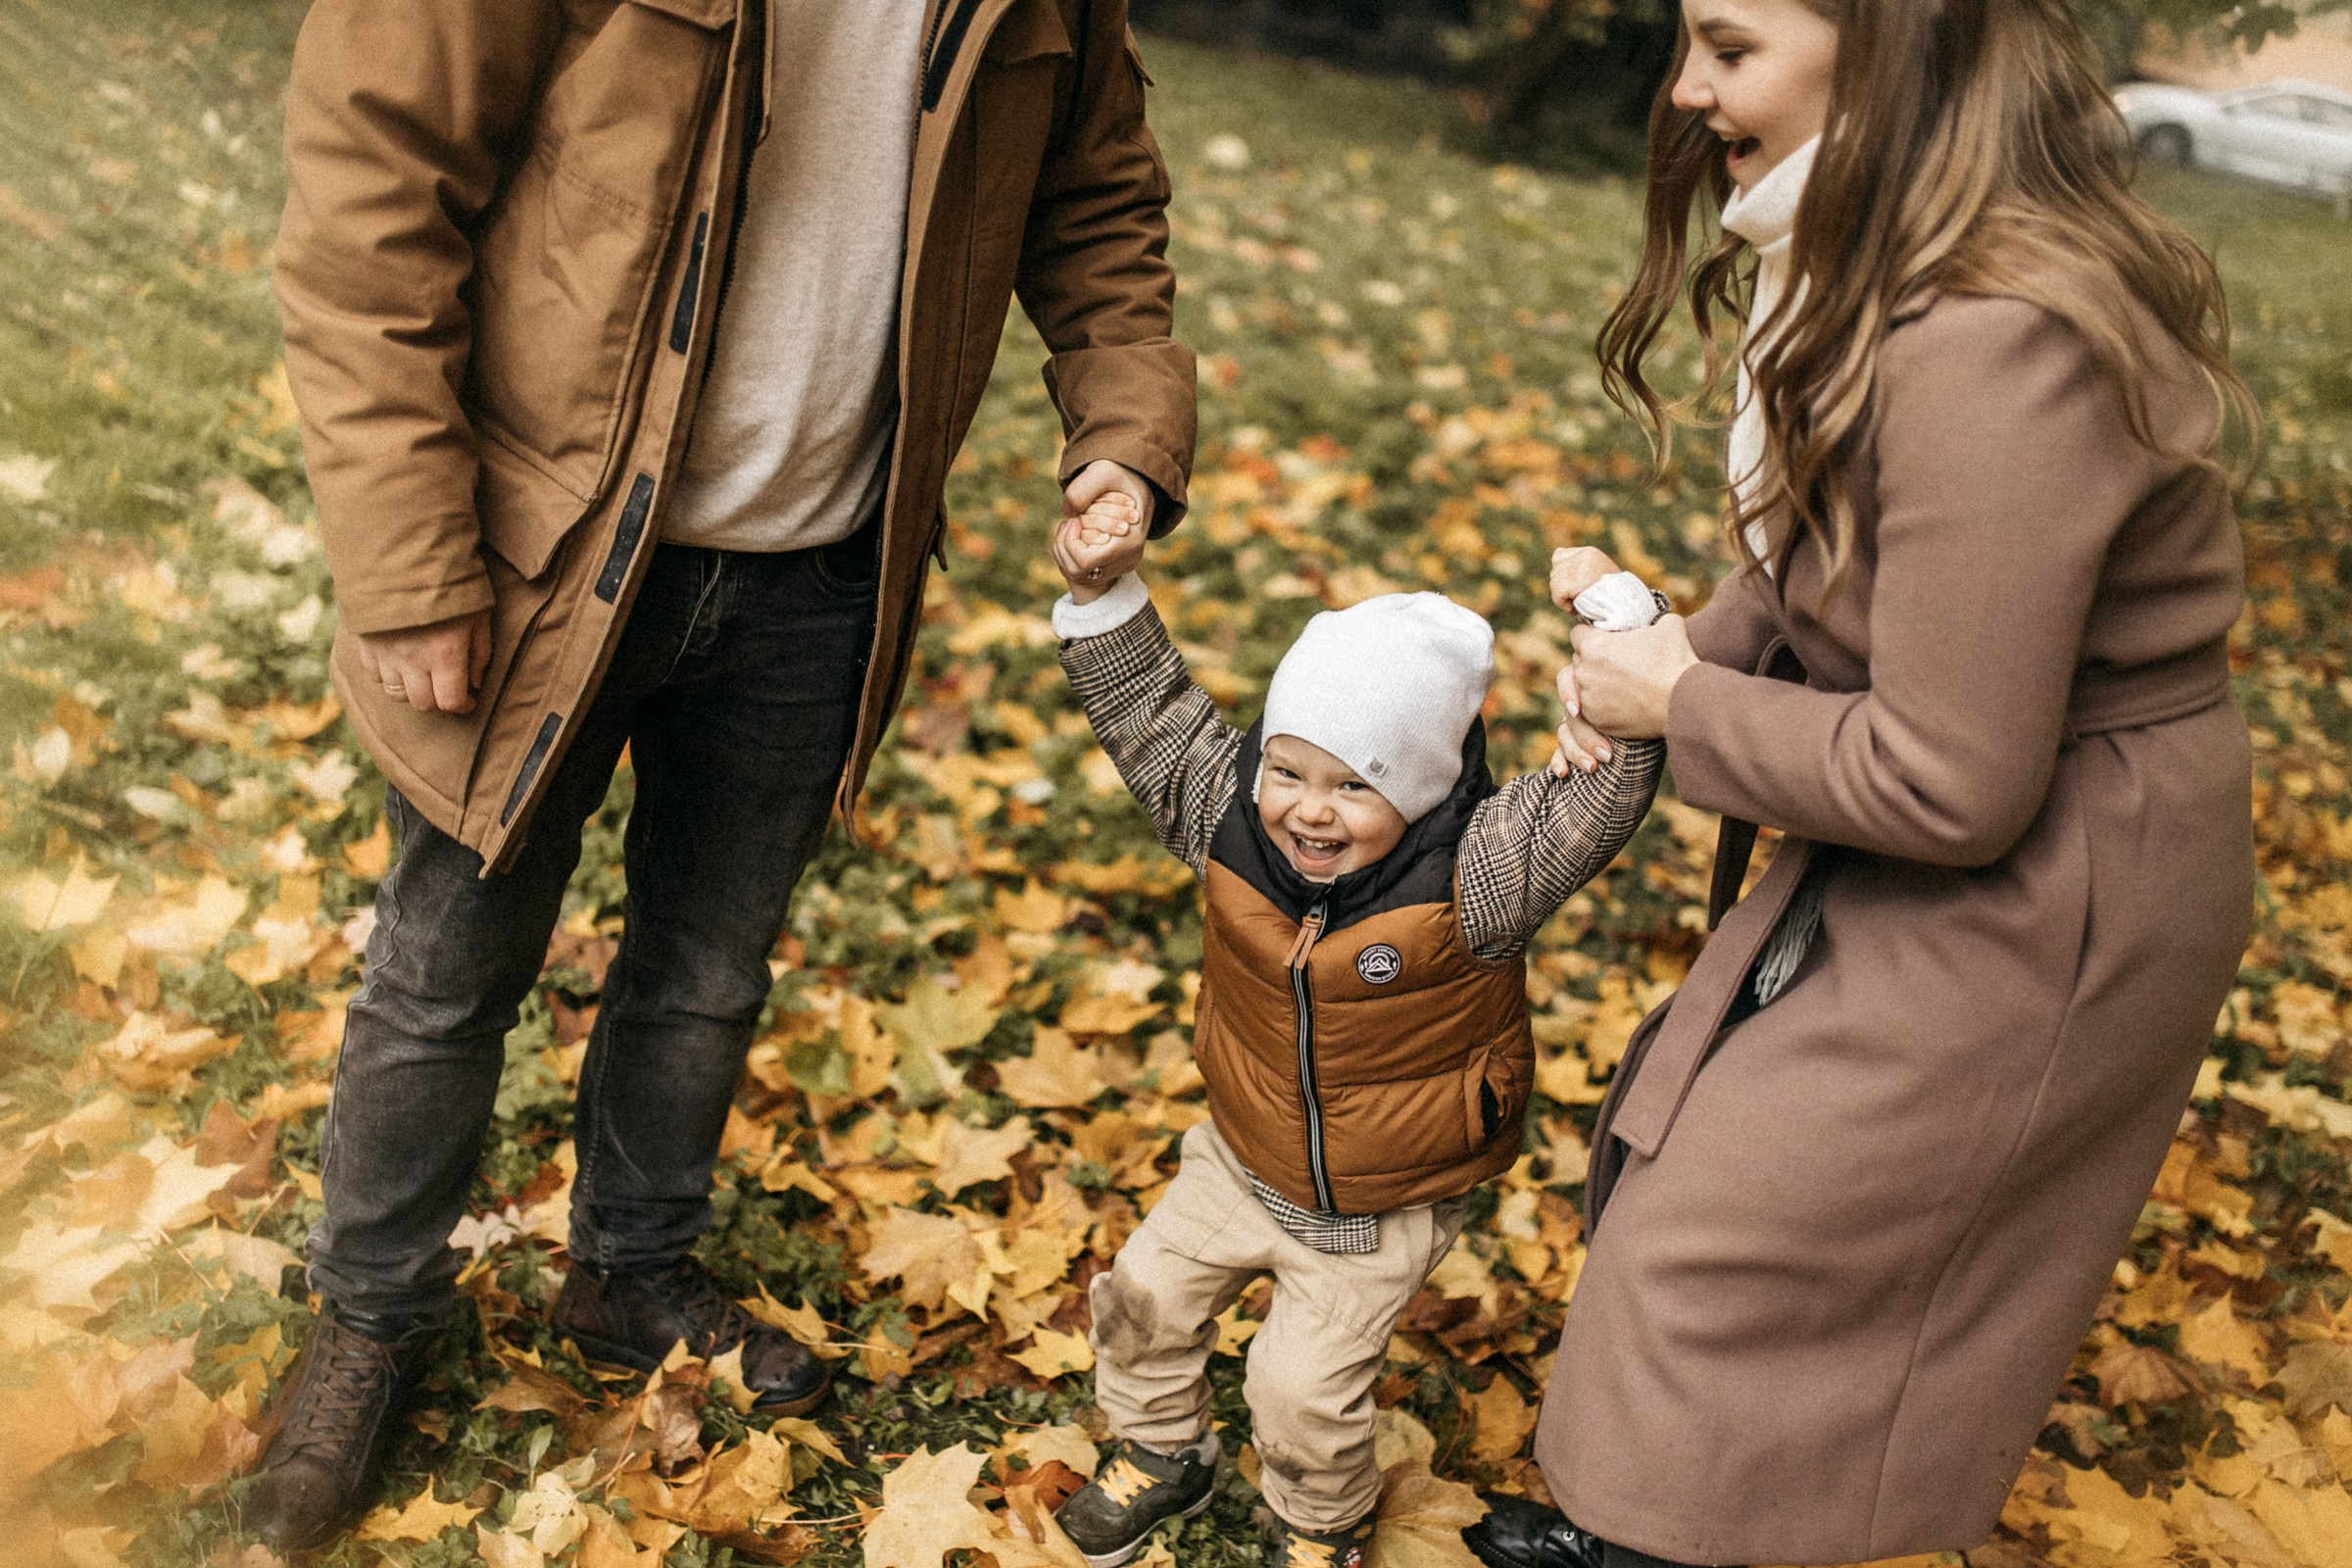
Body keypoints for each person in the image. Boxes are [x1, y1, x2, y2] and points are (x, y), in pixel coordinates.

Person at [246, 0, 1196, 1550]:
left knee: (704, 971)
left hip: (825, 563)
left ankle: (628, 1268)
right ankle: (368, 1318)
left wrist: (1124, 426)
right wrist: (412, 561)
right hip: (541, 552)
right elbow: (371, 187)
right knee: (444, 965)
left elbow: (1096, 192)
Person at [1464, 1, 2258, 1566]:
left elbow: (1953, 778)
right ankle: (1660, 1518)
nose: (1685, 91)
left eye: (1728, 45)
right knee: (1695, 1167)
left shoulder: (1996, 340)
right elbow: (1833, 562)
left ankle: (1682, 1536)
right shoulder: (1874, 275)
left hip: (2061, 883)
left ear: (1887, 49)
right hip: (1964, 821)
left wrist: (1682, 705)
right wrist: (1692, 647)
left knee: (1739, 1239)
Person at [1042, 498, 1668, 1568]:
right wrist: (1105, 595)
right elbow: (1148, 707)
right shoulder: (1223, 817)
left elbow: (1598, 800)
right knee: (1139, 1299)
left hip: (1380, 1203)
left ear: (1419, 790)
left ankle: (1316, 1524)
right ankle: (1162, 1449)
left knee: (1298, 1391)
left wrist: (1624, 627)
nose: (1311, 811)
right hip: (1238, 1156)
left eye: (1357, 785)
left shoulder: (1473, 876)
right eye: (1289, 771)